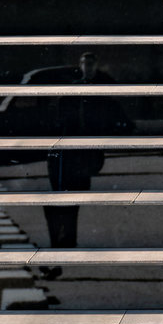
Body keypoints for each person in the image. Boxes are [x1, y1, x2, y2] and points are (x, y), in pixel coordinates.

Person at [43, 52, 125, 250]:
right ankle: (64, 241)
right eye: (84, 64)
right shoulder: (73, 88)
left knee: (75, 197)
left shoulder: (103, 87)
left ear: (95, 66)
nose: (87, 67)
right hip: (69, 151)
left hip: (86, 152)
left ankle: (67, 240)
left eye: (90, 64)